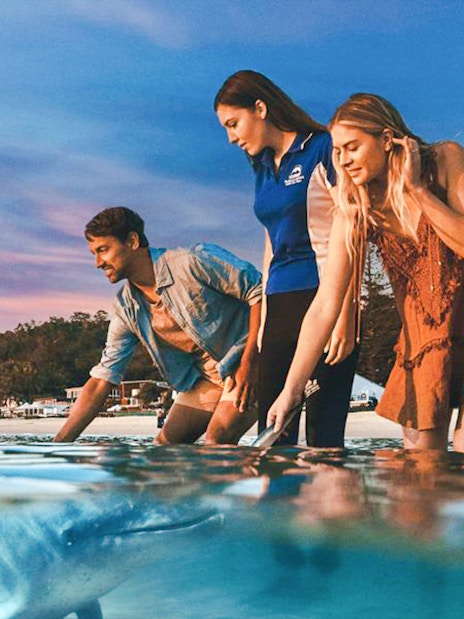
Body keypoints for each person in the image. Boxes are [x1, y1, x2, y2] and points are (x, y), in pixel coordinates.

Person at [268, 93, 464, 452]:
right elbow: (325, 305)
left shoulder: (446, 160)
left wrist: (418, 190)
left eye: (352, 147)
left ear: (387, 139)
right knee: (418, 486)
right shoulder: (355, 209)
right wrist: (291, 390)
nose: (342, 160)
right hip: (424, 348)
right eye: (337, 151)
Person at [214, 70, 358, 447]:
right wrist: (263, 325)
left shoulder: (323, 148)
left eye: (234, 123)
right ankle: (279, 506)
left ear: (259, 108)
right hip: (279, 303)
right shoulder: (261, 167)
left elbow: (352, 228)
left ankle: (332, 503)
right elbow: (270, 242)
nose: (230, 137)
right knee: (274, 430)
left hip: (324, 296)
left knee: (324, 435)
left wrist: (346, 313)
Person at [54, 207, 262, 445]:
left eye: (103, 250)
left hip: (252, 360)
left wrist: (251, 361)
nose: (98, 263)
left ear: (132, 241)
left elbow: (259, 291)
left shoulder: (191, 262)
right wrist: (58, 445)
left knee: (216, 439)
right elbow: (103, 378)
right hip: (208, 379)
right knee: (163, 447)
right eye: (94, 253)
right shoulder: (126, 308)